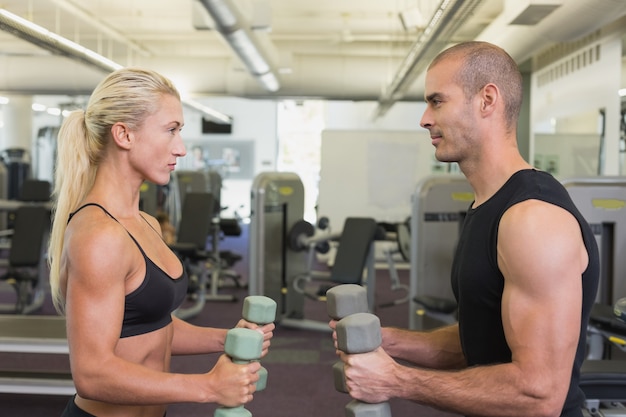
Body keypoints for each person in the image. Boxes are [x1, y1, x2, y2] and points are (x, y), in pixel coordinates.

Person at [331, 41, 599, 417]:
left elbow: (539, 395)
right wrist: (389, 341)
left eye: (437, 101)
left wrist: (397, 380)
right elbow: (482, 340)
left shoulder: (532, 219)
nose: (425, 118)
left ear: (487, 100)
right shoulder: (487, 207)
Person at [47, 67, 274, 417]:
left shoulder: (146, 223)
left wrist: (226, 337)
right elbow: (91, 374)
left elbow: (152, 325)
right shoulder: (99, 236)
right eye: (171, 130)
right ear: (124, 134)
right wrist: (207, 387)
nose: (180, 149)